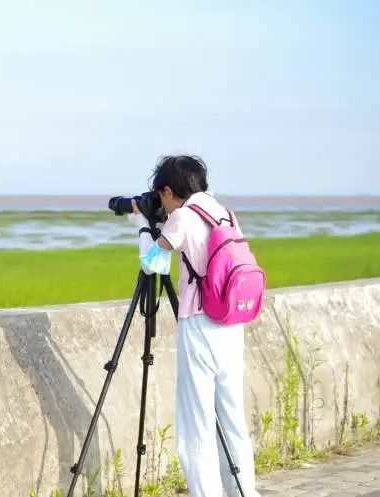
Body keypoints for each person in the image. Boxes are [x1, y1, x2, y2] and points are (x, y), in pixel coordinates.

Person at [128, 155, 261, 497]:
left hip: (201, 324)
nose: (163, 205)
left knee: (196, 424)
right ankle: (244, 491)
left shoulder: (184, 217)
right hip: (231, 323)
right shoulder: (225, 213)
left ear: (169, 190)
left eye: (162, 198)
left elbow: (153, 264)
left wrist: (143, 226)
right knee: (232, 418)